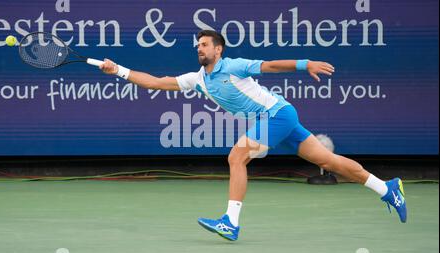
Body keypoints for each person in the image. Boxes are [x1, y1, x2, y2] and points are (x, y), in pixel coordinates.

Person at [100, 30, 407, 241]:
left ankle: (230, 222)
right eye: (198, 45)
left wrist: (305, 64)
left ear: (218, 49)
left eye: (205, 44)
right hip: (278, 118)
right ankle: (387, 188)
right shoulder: (198, 79)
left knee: (237, 156)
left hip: (277, 115)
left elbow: (270, 65)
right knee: (329, 160)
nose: (199, 48)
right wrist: (119, 71)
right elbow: (155, 82)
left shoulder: (234, 65)